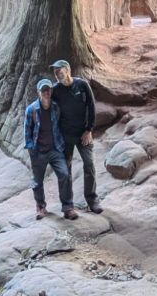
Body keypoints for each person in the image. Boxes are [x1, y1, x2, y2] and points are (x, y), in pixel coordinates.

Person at [50, 59, 102, 213]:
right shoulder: (55, 90)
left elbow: (91, 107)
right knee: (65, 169)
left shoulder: (82, 85)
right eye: (55, 71)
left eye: (59, 70)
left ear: (68, 70)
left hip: (83, 133)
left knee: (89, 164)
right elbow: (46, 108)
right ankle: (67, 205)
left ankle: (92, 201)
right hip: (65, 135)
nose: (57, 73)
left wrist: (89, 130)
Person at [23, 78, 78, 220]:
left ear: (51, 91)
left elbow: (61, 124)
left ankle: (68, 208)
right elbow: (27, 131)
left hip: (55, 149)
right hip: (39, 151)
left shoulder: (55, 107)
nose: (46, 93)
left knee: (64, 174)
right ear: (38, 92)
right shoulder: (31, 110)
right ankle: (41, 207)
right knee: (37, 182)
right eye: (43, 90)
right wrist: (31, 150)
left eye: (48, 90)